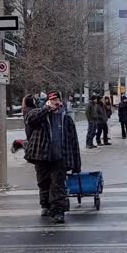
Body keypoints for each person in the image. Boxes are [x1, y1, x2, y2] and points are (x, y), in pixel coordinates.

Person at [24, 90, 81, 224]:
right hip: (41, 156)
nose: (55, 102)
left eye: (57, 99)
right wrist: (46, 109)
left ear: (61, 101)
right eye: (52, 100)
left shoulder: (66, 119)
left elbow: (74, 141)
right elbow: (29, 120)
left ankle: (58, 211)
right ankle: (45, 205)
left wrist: (77, 164)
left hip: (60, 156)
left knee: (58, 185)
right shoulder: (40, 114)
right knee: (43, 183)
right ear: (48, 101)